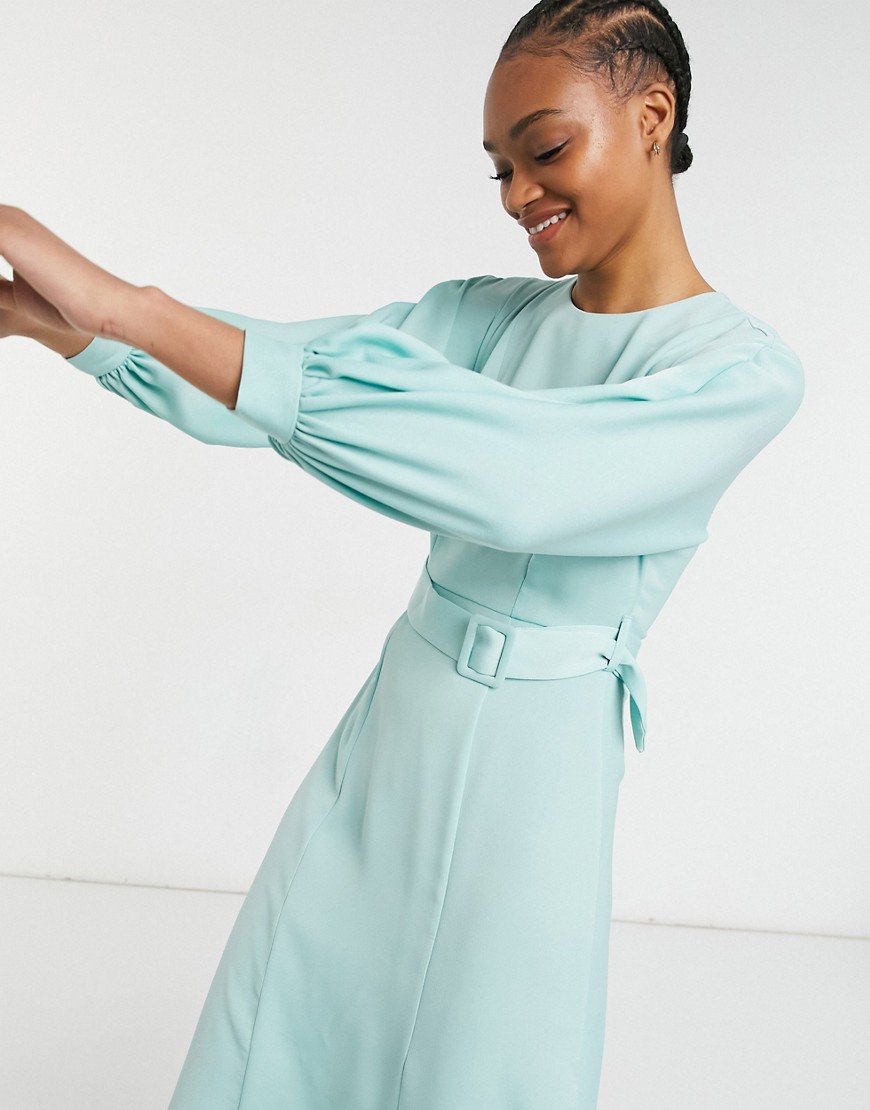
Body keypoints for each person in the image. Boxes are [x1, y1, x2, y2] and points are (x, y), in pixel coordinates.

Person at [0, 0, 804, 1106]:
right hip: (397, 722)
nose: (518, 194)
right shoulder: (486, 318)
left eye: (546, 150)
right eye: (500, 169)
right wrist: (61, 324)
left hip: (542, 768)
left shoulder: (738, 372)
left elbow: (525, 480)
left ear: (653, 115)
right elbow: (265, 379)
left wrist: (132, 309)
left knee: (487, 1056)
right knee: (286, 1016)